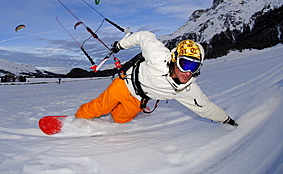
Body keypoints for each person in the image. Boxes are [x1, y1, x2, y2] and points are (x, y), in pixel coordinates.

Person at [75, 31, 238, 126]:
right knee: (99, 107)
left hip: (140, 98)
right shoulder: (158, 56)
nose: (187, 72)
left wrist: (226, 119)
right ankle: (75, 121)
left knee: (120, 119)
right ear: (174, 59)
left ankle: (113, 109)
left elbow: (206, 107)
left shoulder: (187, 90)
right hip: (126, 83)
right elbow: (144, 36)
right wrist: (120, 45)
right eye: (184, 64)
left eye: (194, 67)